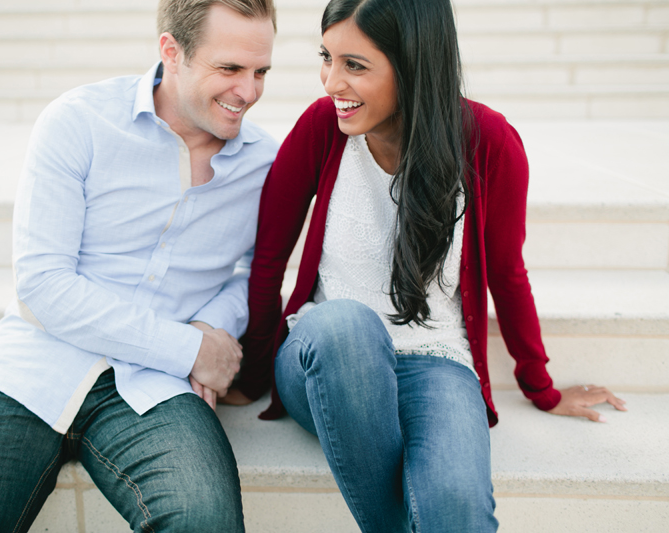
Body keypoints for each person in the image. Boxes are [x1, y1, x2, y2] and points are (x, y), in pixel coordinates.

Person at [226, 0, 628, 531]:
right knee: (348, 325)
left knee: (456, 507)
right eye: (327, 57)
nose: (330, 82)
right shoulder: (323, 128)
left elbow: (507, 273)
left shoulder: (488, 142)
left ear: (413, 63)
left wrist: (540, 386)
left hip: (435, 360)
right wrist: (254, 374)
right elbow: (269, 259)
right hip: (323, 357)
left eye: (355, 65)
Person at [0, 1, 278, 531]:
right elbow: (44, 285)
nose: (250, 92)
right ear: (172, 51)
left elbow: (257, 273)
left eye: (261, 71)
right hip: (29, 370)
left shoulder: (265, 161)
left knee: (203, 522)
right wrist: (190, 349)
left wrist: (215, 326)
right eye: (230, 69)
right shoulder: (79, 120)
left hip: (156, 387)